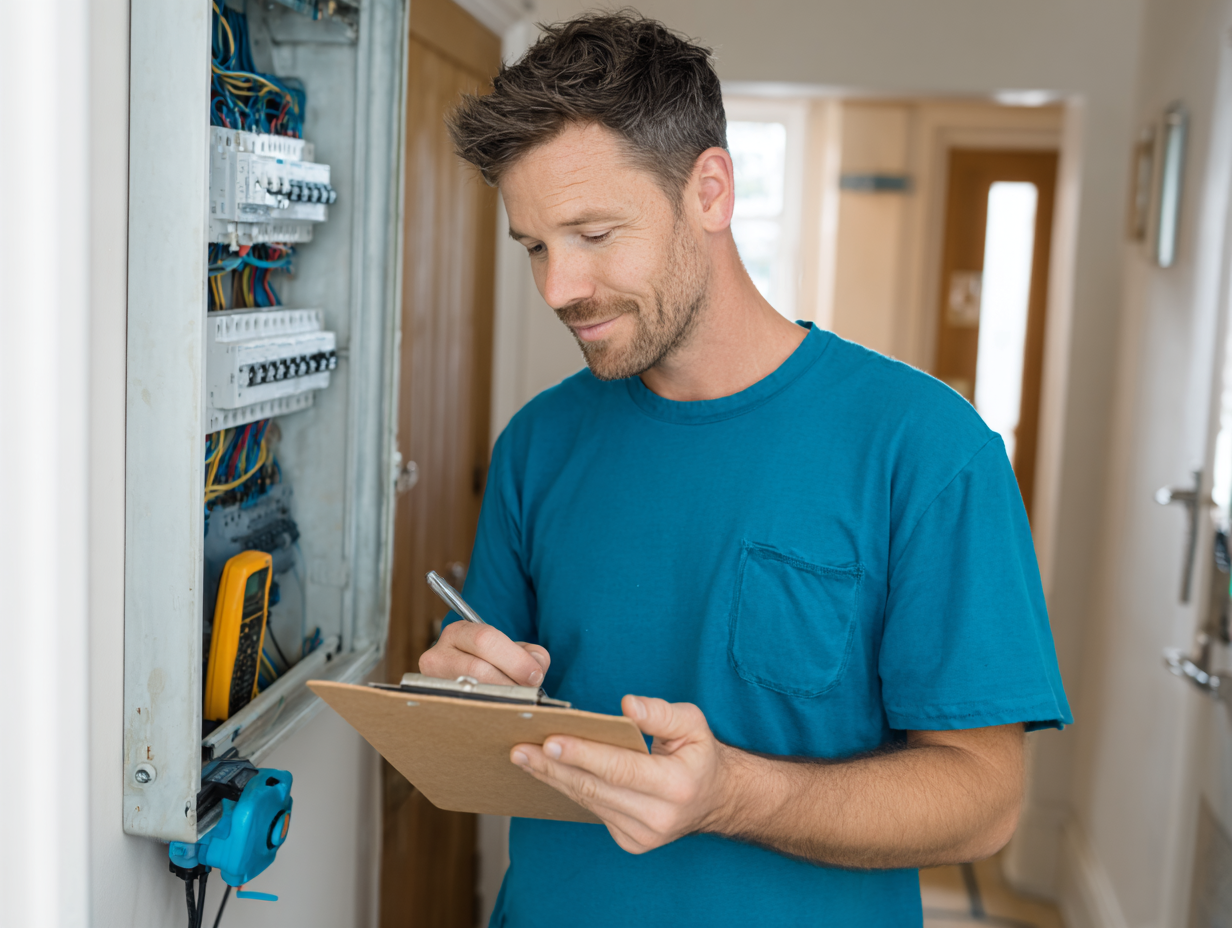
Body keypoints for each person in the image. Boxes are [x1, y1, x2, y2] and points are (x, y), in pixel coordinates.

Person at [422, 12, 1071, 927]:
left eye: (594, 234)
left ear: (711, 191)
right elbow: (491, 726)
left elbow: (983, 799)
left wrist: (730, 794)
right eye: (534, 246)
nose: (557, 287)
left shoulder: (927, 450)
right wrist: (461, 694)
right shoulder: (537, 443)